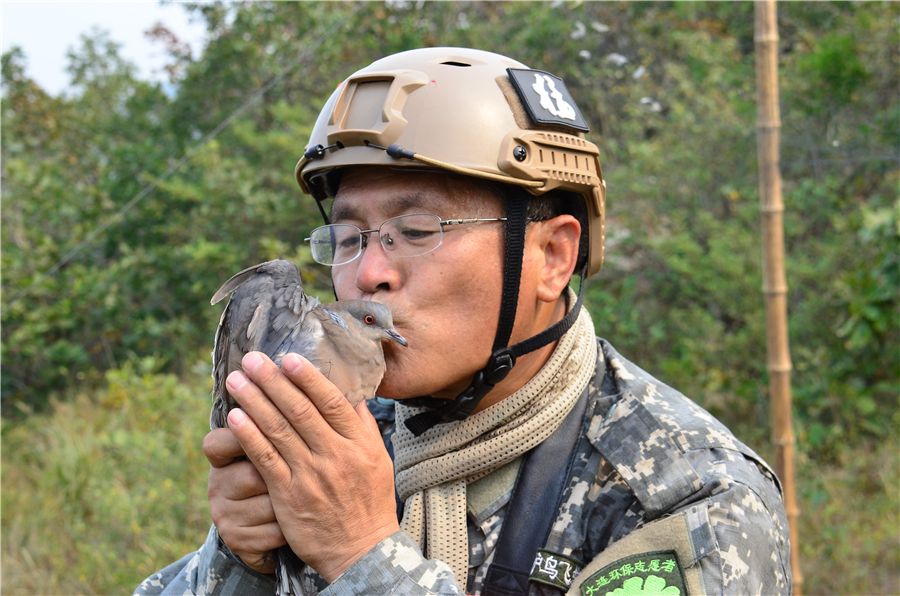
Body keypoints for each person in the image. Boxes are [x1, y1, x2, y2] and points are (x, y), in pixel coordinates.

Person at [136, 47, 791, 596]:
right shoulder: (340, 442)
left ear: (551, 256)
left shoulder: (684, 496)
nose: (368, 275)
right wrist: (242, 562)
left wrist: (364, 555)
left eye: (416, 230)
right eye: (347, 236)